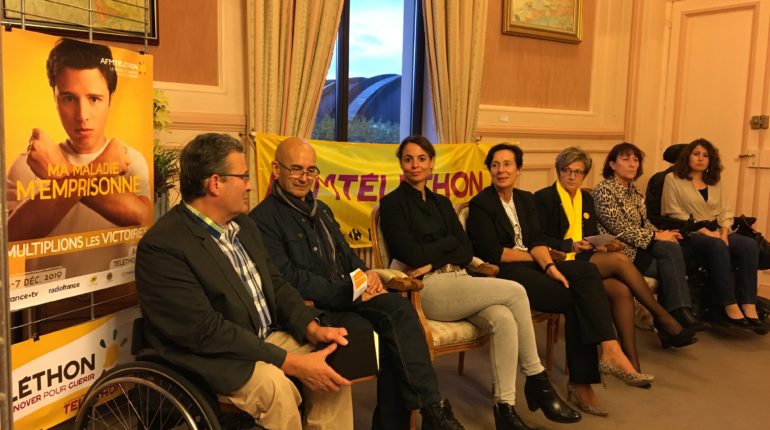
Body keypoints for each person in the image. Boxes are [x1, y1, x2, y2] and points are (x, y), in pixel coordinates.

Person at [136, 133, 353, 429]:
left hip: (260, 339)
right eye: (244, 177)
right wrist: (287, 361)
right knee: (276, 388)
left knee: (332, 367)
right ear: (215, 183)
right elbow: (205, 331)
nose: (250, 185)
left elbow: (276, 284)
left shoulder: (244, 226)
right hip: (208, 355)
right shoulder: (164, 245)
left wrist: (311, 327)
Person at [250, 137, 464, 430]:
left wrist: (368, 273)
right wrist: (350, 292)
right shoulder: (261, 219)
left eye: (311, 170)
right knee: (385, 341)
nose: (304, 178)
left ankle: (431, 407)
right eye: (296, 169)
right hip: (320, 305)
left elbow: (347, 255)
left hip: (350, 292)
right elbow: (290, 279)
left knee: (400, 310)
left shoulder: (321, 210)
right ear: (277, 169)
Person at [380, 135, 581, 429]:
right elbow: (410, 254)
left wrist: (434, 256)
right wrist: (446, 247)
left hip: (458, 279)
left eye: (422, 159)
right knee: (515, 291)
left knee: (503, 318)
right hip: (428, 289)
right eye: (408, 159)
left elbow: (464, 250)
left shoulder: (441, 202)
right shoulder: (392, 204)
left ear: (431, 163)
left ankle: (505, 410)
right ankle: (537, 379)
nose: (415, 165)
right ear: (400, 163)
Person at [465, 143, 654, 418]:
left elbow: (537, 240)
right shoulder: (481, 204)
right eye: (495, 165)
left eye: (507, 164)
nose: (501, 170)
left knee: (587, 273)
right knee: (577, 297)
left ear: (518, 170)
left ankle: (609, 350)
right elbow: (493, 252)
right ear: (490, 170)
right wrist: (538, 259)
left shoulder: (525, 199)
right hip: (506, 272)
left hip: (536, 263)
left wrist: (550, 266)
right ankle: (586, 378)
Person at [534, 147, 696, 372]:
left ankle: (631, 363)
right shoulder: (544, 197)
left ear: (584, 174)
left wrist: (603, 243)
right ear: (558, 171)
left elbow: (591, 233)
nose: (572, 176)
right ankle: (662, 316)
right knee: (619, 260)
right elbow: (537, 238)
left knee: (621, 290)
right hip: (559, 261)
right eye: (566, 170)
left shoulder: (586, 199)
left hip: (585, 257)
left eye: (578, 172)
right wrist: (569, 244)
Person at [6, 37, 150, 276]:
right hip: (48, 298)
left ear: (111, 98)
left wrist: (61, 171)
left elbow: (140, 217)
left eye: (94, 98)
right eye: (69, 98)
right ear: (54, 98)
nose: (82, 115)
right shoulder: (27, 165)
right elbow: (11, 237)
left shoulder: (129, 160)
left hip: (115, 294)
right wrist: (97, 169)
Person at [592, 142, 708, 332]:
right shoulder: (604, 190)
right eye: (626, 159)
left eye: (635, 160)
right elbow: (620, 229)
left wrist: (663, 234)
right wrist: (655, 235)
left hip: (640, 245)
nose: (632, 164)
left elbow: (644, 221)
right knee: (670, 267)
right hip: (621, 249)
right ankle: (675, 317)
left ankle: (676, 316)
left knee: (672, 247)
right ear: (612, 164)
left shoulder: (634, 190)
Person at [662, 138, 768, 334]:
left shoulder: (715, 181)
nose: (701, 159)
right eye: (696, 154)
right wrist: (705, 231)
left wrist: (724, 232)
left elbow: (725, 211)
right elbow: (673, 212)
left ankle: (749, 303)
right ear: (687, 157)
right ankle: (728, 304)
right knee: (716, 245)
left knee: (747, 245)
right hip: (690, 231)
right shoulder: (673, 179)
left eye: (705, 155)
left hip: (717, 230)